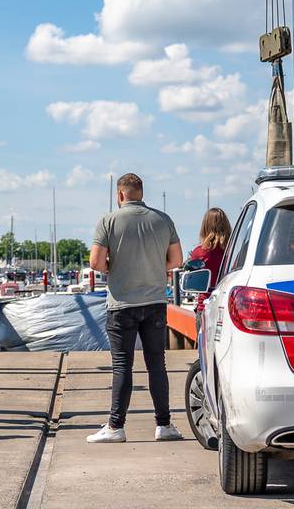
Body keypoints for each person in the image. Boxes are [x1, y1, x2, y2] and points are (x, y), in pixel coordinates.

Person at [86, 173, 185, 443]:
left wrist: (114, 268)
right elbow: (176, 259)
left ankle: (115, 427)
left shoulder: (108, 221)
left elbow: (96, 262)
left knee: (122, 365)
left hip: (122, 304)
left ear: (120, 195)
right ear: (141, 193)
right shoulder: (163, 220)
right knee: (157, 365)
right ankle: (164, 425)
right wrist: (154, 267)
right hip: (154, 303)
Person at [188, 207, 232, 292]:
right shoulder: (234, 250)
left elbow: (193, 283)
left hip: (207, 297)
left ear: (205, 227)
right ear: (227, 226)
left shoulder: (199, 252)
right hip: (227, 295)